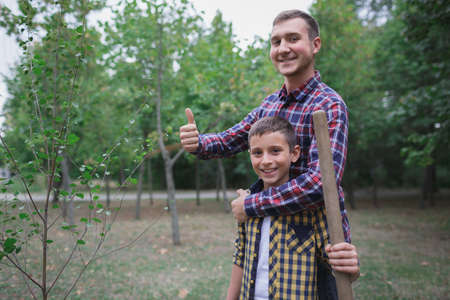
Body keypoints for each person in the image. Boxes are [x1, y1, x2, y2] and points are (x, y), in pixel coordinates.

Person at [179, 9, 359, 297]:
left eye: (292, 39)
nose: (283, 48)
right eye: (276, 42)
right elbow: (230, 139)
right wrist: (198, 143)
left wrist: (251, 205)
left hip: (313, 245)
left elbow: (321, 183)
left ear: (315, 45)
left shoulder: (329, 105)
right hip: (266, 236)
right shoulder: (270, 105)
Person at [225, 116, 358, 299]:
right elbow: (241, 256)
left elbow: (337, 263)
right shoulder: (246, 204)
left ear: (294, 153)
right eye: (257, 153)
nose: (265, 160)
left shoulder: (312, 208)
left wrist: (348, 263)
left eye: (275, 151)